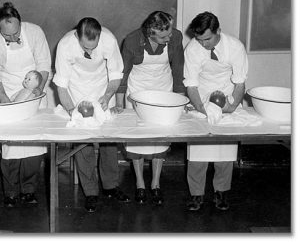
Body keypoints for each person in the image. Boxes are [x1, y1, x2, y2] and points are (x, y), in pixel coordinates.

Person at [53, 17, 131, 213]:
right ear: (77, 36)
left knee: (108, 139)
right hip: (76, 89)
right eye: (86, 48)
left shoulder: (109, 40)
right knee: (83, 142)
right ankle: (90, 192)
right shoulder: (65, 45)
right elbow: (61, 85)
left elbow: (115, 75)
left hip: (103, 88)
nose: (90, 51)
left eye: (94, 47)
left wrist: (106, 96)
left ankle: (111, 186)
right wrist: (73, 112)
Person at [0, 2, 51, 207]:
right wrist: (5, 101)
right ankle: (10, 191)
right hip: (9, 92)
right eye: (8, 36)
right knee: (11, 147)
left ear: (21, 24)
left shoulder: (35, 32)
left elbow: (43, 64)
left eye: (16, 33)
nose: (13, 38)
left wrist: (37, 89)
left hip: (34, 90)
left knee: (34, 147)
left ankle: (29, 190)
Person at [115, 11, 185, 206]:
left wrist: (179, 100)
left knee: (159, 139)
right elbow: (123, 73)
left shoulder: (176, 37)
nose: (169, 38)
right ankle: (139, 183)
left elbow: (179, 68)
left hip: (164, 88)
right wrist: (120, 105)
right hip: (137, 91)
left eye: (169, 33)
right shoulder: (131, 41)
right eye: (164, 36)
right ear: (150, 33)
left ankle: (155, 183)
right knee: (137, 138)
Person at [183, 11, 248, 212]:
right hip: (201, 98)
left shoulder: (235, 47)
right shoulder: (193, 49)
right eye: (199, 39)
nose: (203, 44)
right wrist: (203, 110)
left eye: (207, 39)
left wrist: (232, 106)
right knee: (197, 150)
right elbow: (191, 86)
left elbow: (239, 82)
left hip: (228, 97)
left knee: (225, 149)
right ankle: (196, 194)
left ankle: (221, 192)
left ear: (218, 30)